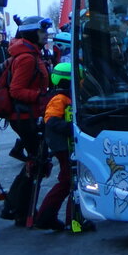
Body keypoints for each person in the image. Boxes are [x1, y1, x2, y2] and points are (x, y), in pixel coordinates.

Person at [0, 16, 52, 226]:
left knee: (35, 162)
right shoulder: (27, 58)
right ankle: (20, 209)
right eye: (42, 32)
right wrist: (42, 98)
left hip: (27, 115)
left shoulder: (31, 54)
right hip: (24, 116)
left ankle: (17, 208)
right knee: (36, 163)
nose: (46, 35)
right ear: (32, 34)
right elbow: (17, 91)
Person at [33, 62, 89, 232]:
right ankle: (49, 217)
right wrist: (74, 129)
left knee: (71, 180)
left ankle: (67, 218)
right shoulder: (59, 98)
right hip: (63, 146)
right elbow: (51, 120)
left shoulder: (68, 97)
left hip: (66, 145)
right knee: (68, 181)